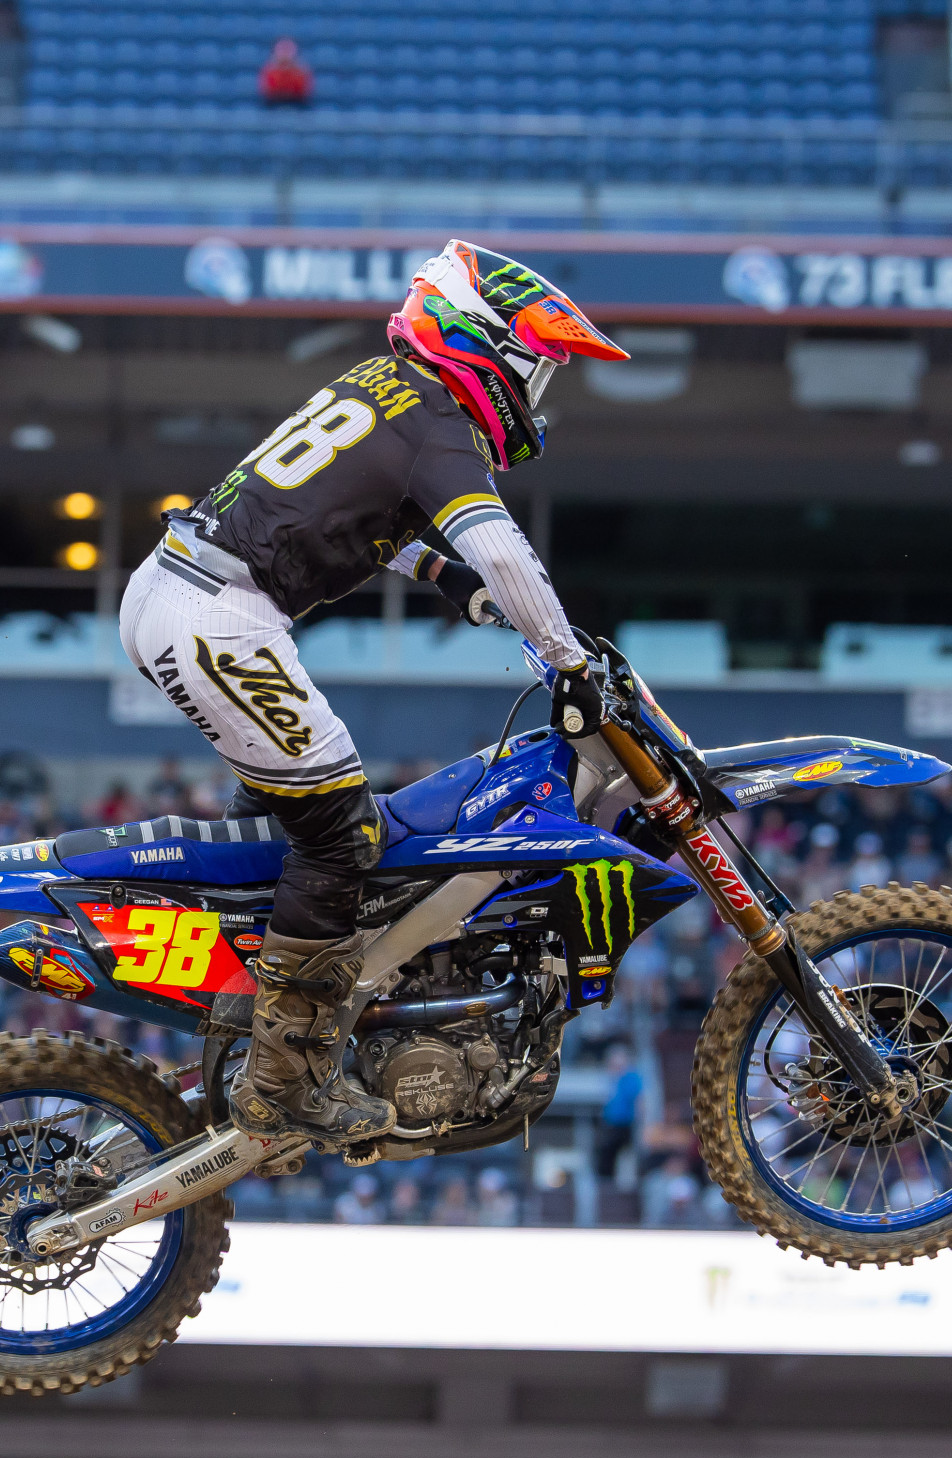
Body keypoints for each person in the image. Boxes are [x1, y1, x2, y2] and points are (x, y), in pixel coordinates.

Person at [119, 240, 629, 1142]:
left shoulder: (385, 389)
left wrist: (436, 571)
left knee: (291, 817)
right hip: (217, 617)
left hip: (181, 592)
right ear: (486, 342)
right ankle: (284, 1082)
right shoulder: (436, 424)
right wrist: (568, 662)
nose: (536, 394)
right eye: (536, 367)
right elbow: (504, 551)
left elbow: (345, 509)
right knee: (341, 831)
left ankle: (247, 1020)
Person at [259, 38, 312, 106]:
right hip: (273, 104)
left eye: (288, 50)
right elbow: (266, 91)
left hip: (297, 104)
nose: (285, 54)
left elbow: (304, 91)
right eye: (282, 50)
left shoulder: (302, 71)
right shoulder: (269, 70)